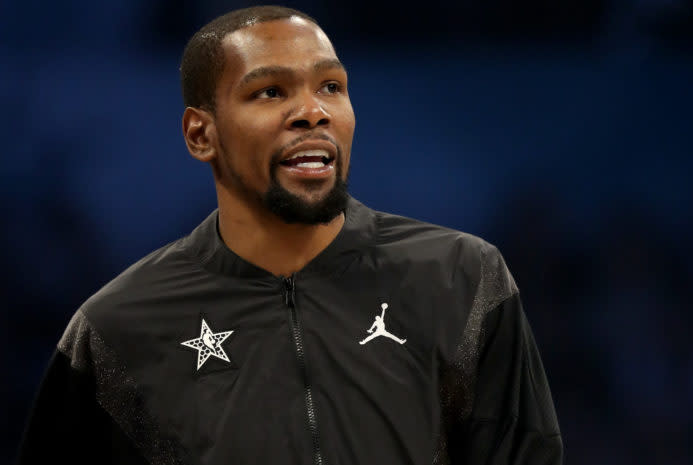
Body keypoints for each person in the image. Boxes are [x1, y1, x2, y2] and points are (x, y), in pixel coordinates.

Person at [17, 5, 562, 464]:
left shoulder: (462, 277)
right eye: (271, 91)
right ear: (200, 133)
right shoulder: (115, 328)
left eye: (331, 86)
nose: (313, 112)